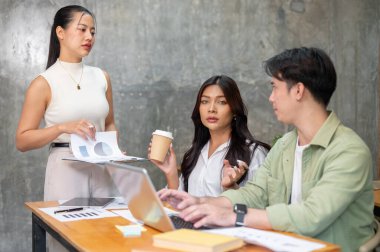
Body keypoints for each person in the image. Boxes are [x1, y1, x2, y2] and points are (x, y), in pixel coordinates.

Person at [158, 47, 374, 251]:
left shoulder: (349, 151)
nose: (271, 98)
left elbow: (311, 215)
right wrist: (201, 201)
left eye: (275, 87)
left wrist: (234, 217)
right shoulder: (285, 145)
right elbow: (257, 193)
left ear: (298, 90)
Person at [16, 5, 117, 251]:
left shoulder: (101, 77)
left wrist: (114, 153)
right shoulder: (43, 83)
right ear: (60, 33)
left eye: (93, 32)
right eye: (82, 29)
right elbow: (22, 140)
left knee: (107, 237)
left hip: (103, 165)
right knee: (66, 241)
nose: (89, 37)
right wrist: (62, 127)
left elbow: (110, 121)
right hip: (65, 167)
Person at [149, 75, 270, 197]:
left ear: (234, 109)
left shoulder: (254, 153)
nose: (211, 109)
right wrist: (171, 172)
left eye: (222, 102)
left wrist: (232, 188)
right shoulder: (195, 152)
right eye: (205, 101)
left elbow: (259, 208)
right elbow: (180, 202)